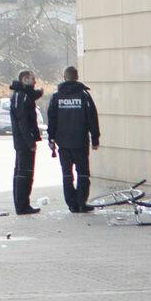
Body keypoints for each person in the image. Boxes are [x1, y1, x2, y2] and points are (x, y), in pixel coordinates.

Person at [47, 66, 101, 214]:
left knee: (67, 174)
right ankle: (81, 202)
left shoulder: (56, 96)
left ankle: (71, 204)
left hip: (63, 142)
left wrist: (51, 138)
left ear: (64, 78)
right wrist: (95, 138)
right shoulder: (84, 95)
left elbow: (51, 119)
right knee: (83, 173)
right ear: (77, 77)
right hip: (80, 141)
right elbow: (92, 118)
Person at [7, 70, 44, 214]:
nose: (34, 82)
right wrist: (30, 142)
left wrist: (38, 93)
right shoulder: (21, 97)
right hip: (24, 142)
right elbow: (23, 121)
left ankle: (21, 204)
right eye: (32, 79)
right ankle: (22, 205)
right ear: (24, 79)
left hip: (21, 141)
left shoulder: (20, 95)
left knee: (21, 171)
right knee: (25, 173)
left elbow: (30, 96)